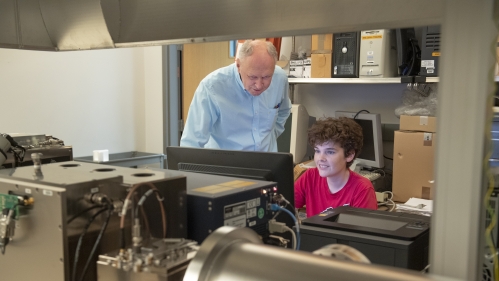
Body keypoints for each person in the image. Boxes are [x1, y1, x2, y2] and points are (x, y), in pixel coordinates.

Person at [180, 40, 292, 152]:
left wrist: (270, 135)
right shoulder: (212, 87)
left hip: (268, 164)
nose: (259, 85)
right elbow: (191, 143)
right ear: (238, 65)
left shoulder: (280, 78)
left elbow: (284, 111)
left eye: (266, 77)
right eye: (252, 77)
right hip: (225, 165)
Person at [294, 117, 377, 217]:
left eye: (330, 152)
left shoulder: (362, 189)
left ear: (349, 155)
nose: (321, 158)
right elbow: (284, 209)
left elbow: (363, 231)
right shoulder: (309, 177)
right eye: (317, 151)